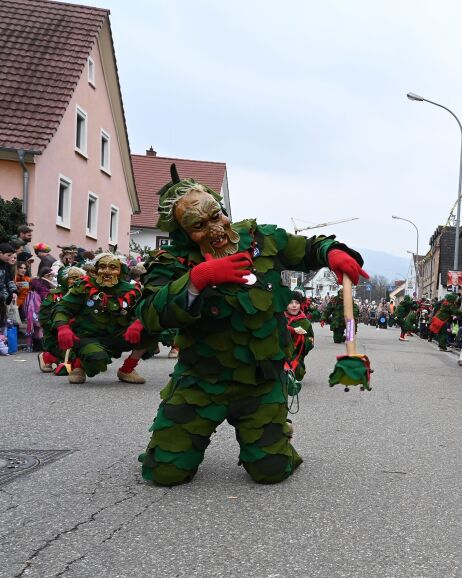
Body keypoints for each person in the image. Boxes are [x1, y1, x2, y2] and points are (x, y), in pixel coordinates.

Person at [135, 172, 366, 486]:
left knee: (272, 471)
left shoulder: (260, 239)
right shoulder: (172, 260)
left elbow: (309, 248)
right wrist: (198, 279)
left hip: (261, 381)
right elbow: (150, 313)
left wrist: (333, 253)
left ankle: (274, 431)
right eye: (199, 226)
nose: (216, 230)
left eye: (216, 215)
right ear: (183, 233)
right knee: (164, 473)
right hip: (201, 382)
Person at [51, 253, 156, 384]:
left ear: (120, 271)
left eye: (113, 267)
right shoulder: (84, 286)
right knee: (97, 359)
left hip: (117, 335)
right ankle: (78, 366)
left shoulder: (131, 290)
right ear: (96, 269)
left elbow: (145, 309)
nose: (107, 271)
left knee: (151, 329)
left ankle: (127, 369)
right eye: (102, 266)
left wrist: (138, 323)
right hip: (89, 336)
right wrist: (63, 327)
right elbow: (63, 307)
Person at [284, 291, 314, 384]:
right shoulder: (280, 318)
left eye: (296, 303)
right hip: (279, 351)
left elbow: (311, 341)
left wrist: (302, 339)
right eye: (291, 303)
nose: (294, 306)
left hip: (295, 353)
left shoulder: (305, 322)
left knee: (297, 373)